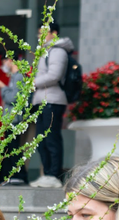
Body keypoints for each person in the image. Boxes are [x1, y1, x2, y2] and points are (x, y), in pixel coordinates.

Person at [31, 21, 73, 188]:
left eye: (43, 33)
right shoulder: (46, 51)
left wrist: (32, 83)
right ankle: (48, 174)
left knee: (51, 138)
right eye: (39, 33)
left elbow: (54, 75)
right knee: (41, 140)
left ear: (54, 33)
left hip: (53, 100)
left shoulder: (57, 51)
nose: (40, 36)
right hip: (42, 100)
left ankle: (54, 174)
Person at [0, 57, 29, 185]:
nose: (4, 66)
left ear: (10, 60)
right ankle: (14, 175)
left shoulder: (19, 77)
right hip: (10, 118)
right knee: (10, 147)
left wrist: (3, 87)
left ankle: (18, 175)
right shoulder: (15, 77)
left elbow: (13, 98)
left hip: (14, 119)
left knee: (13, 147)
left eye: (4, 62)